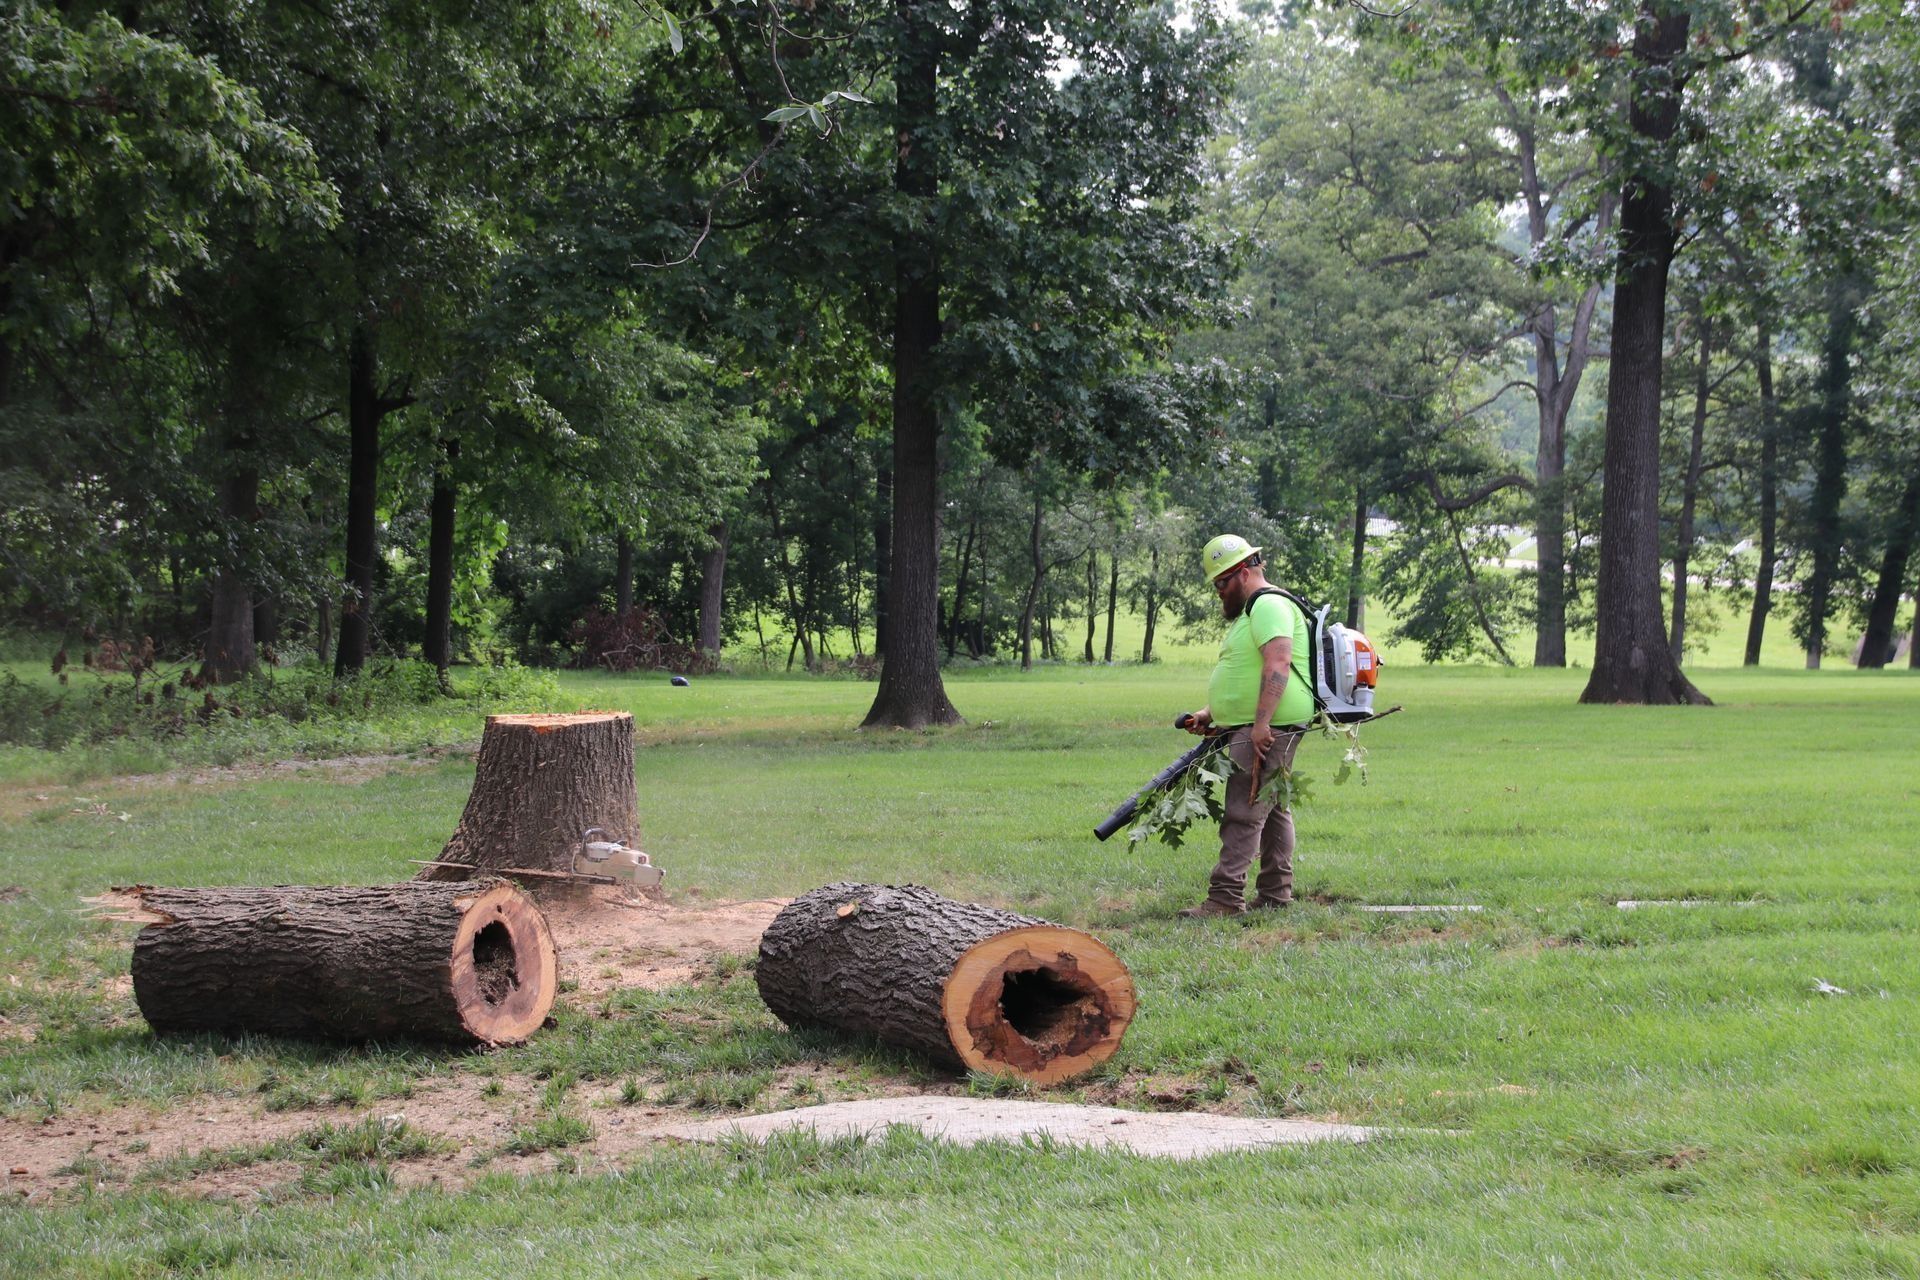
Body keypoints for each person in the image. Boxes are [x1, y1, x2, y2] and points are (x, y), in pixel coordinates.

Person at [1176, 534, 1314, 918]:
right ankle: (1275, 894)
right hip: (1259, 723)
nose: (1218, 592)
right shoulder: (1253, 611)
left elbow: (1278, 663)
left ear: (1242, 572)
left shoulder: (1268, 605)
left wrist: (1260, 725)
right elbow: (1246, 671)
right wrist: (1211, 712)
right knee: (1272, 809)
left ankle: (1224, 900)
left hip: (1272, 725)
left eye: (1221, 582)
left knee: (1245, 807)